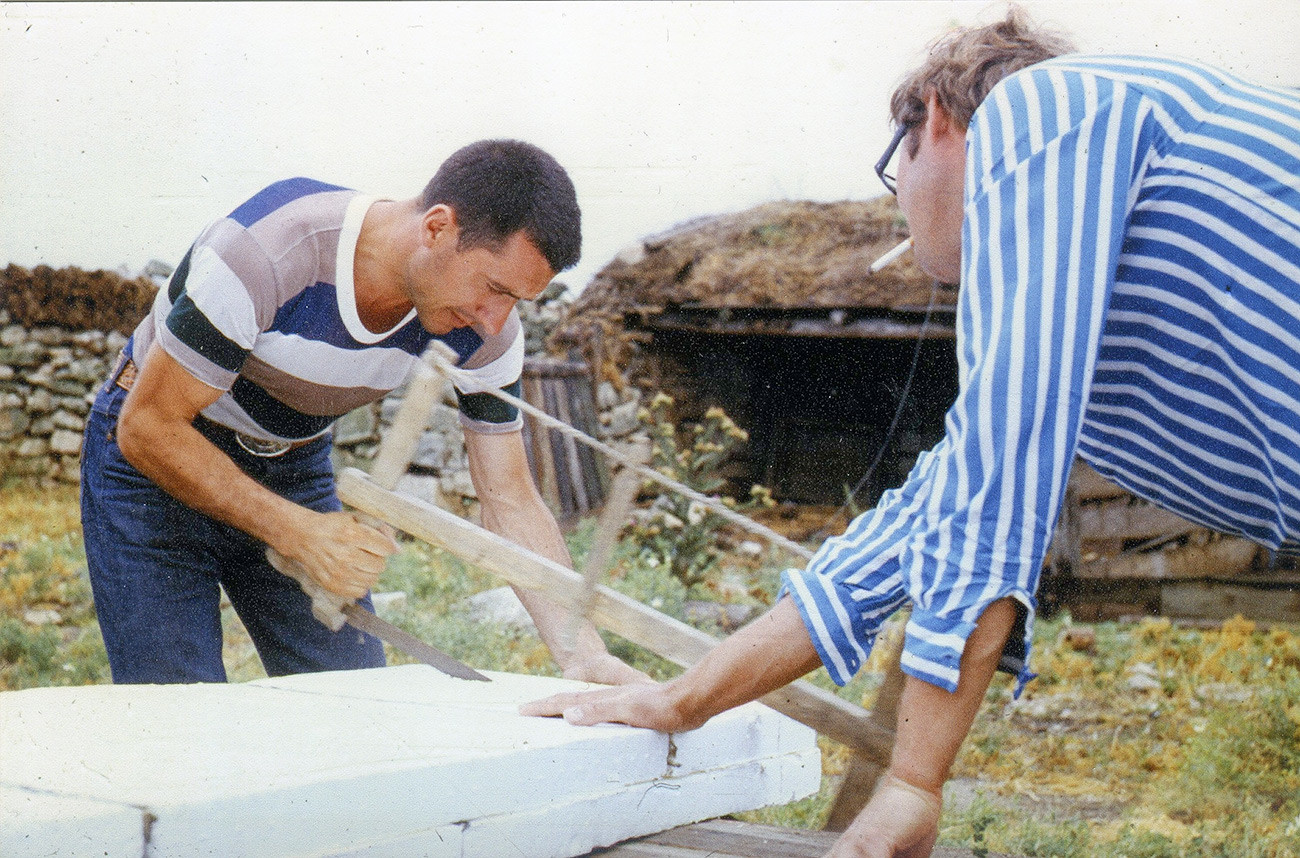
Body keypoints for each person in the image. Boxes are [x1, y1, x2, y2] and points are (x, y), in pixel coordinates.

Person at [523, 8, 1300, 857]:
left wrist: (914, 780)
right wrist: (686, 700)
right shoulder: (1096, 325)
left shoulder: (1044, 109)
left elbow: (995, 493)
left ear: (936, 116)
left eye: (897, 174)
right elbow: (915, 526)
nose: (898, 213)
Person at [81, 139, 643, 688]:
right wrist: (298, 533)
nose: (494, 321)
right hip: (153, 466)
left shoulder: (484, 330)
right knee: (179, 729)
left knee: (352, 713)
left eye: (515, 300)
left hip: (292, 468)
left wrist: (581, 652)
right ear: (437, 228)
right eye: (493, 287)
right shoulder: (268, 252)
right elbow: (147, 427)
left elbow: (510, 496)